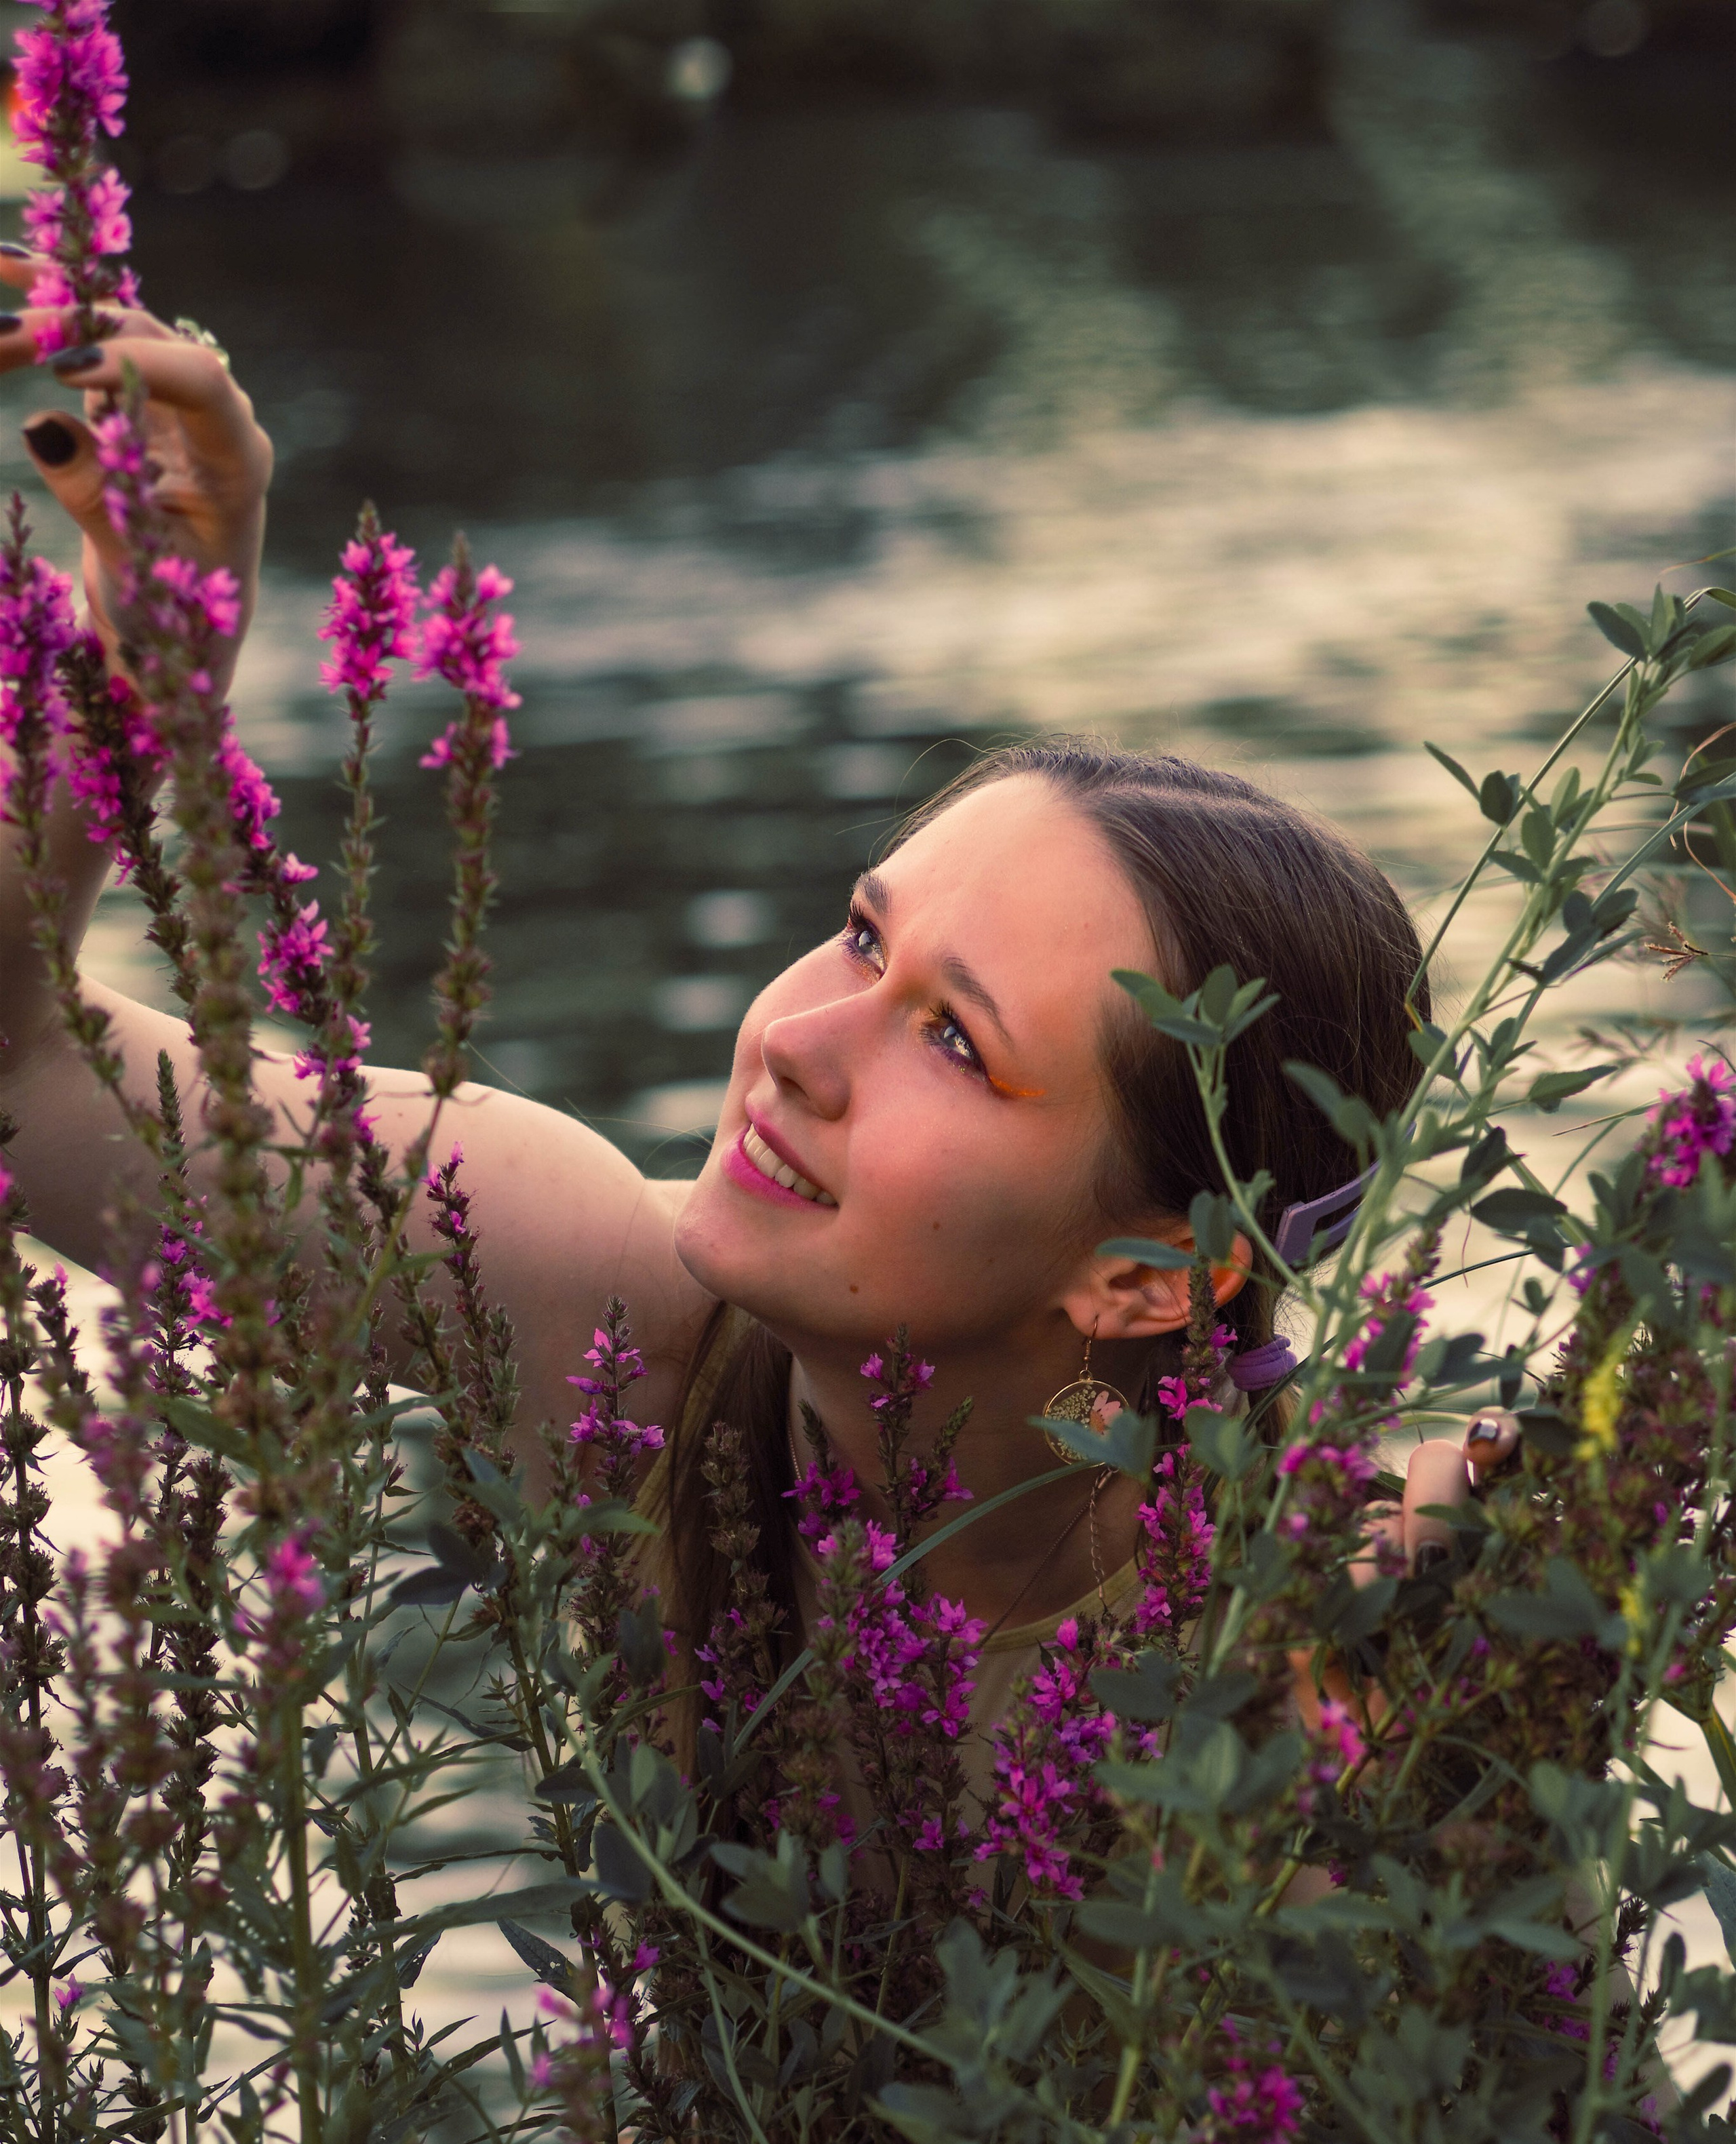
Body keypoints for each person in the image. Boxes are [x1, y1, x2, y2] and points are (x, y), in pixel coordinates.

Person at [0, 274, 1516, 1775]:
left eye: (950, 1041)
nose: (797, 1040)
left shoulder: (1350, 1630)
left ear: (1147, 1276)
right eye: (862, 937)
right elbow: (23, 1081)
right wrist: (136, 646)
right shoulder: (623, 1339)